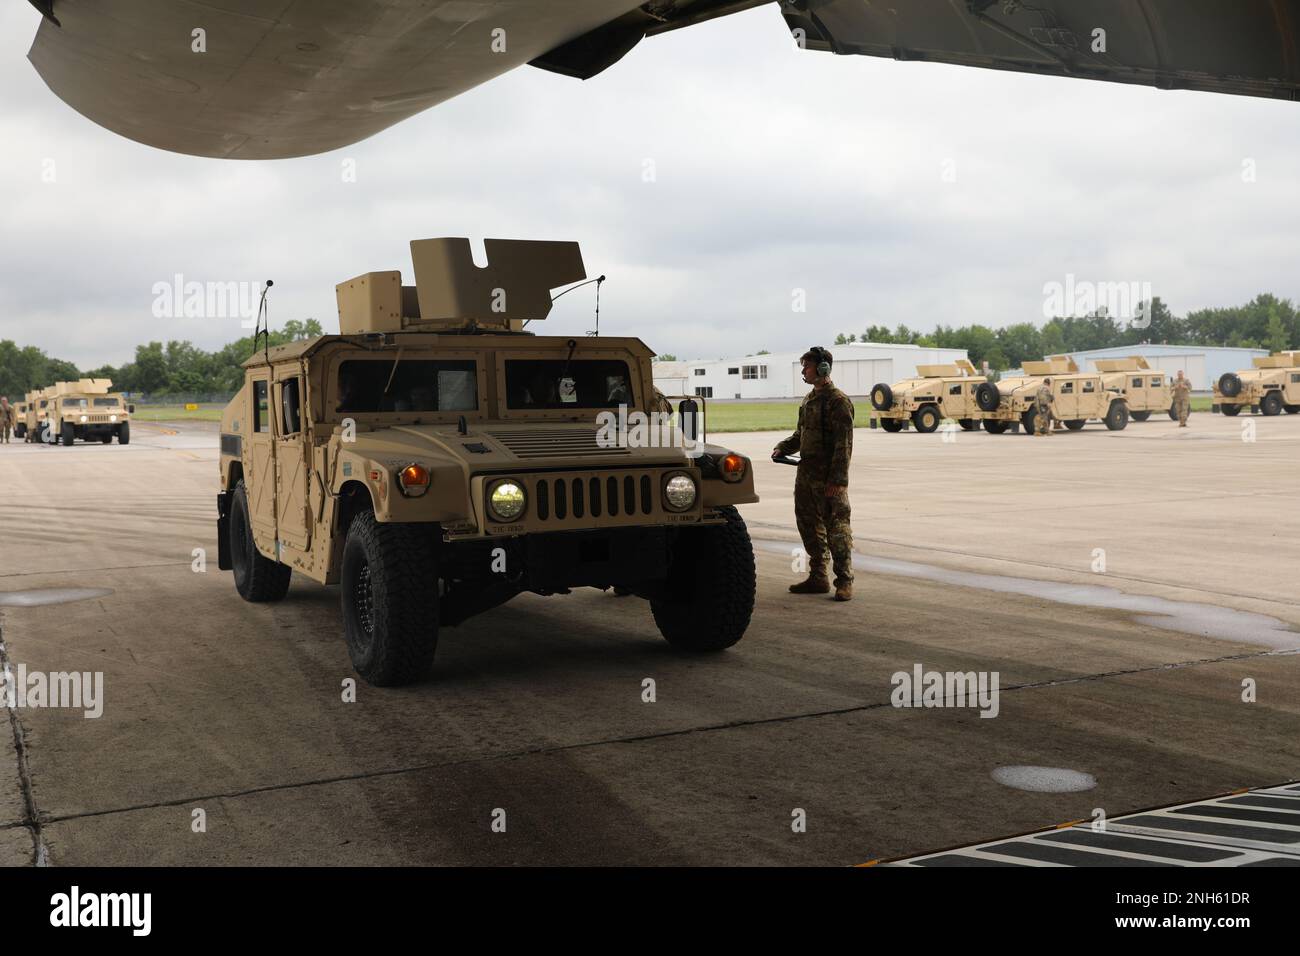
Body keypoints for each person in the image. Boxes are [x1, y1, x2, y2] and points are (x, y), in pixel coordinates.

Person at [772, 347, 855, 601]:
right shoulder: (808, 400)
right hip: (806, 475)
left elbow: (844, 444)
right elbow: (801, 435)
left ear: (823, 368)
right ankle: (818, 577)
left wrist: (838, 481)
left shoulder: (838, 402)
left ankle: (844, 581)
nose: (803, 372)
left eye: (807, 367)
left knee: (837, 529)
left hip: (828, 479)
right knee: (809, 525)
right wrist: (782, 447)